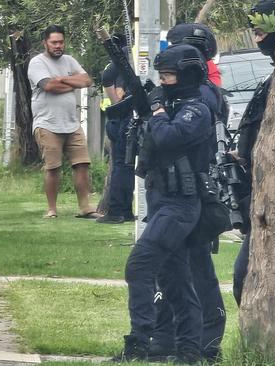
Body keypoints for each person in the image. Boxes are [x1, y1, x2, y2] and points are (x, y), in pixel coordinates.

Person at [116, 43, 212, 364]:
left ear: (187, 74)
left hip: (181, 206)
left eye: (169, 75)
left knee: (139, 266)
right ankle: (189, 351)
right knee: (175, 280)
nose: (164, 81)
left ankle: (139, 344)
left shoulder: (197, 109)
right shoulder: (170, 105)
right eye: (161, 75)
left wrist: (157, 112)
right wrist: (149, 108)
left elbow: (169, 137)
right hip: (163, 204)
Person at [149, 23, 227, 362]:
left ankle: (205, 343)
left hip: (192, 190)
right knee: (168, 269)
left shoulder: (203, 94)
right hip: (170, 188)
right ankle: (164, 340)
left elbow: (177, 134)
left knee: (196, 270)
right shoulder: (184, 91)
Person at [232, 0, 275, 306]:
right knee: (245, 283)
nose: (257, 39)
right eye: (254, 31)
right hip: (260, 198)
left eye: (262, 30)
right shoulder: (273, 77)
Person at [27, 25, 101, 219]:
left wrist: (62, 79)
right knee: (53, 167)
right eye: (54, 42)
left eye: (61, 42)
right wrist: (69, 82)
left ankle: (85, 208)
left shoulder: (69, 60)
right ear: (45, 43)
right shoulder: (37, 63)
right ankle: (52, 209)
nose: (58, 46)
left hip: (72, 123)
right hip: (47, 124)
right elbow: (49, 86)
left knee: (82, 164)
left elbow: (86, 81)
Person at [96, 34, 136, 224]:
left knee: (121, 166)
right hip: (124, 117)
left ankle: (118, 211)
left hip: (120, 118)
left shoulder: (124, 57)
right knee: (126, 166)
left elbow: (110, 84)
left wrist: (116, 104)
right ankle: (124, 210)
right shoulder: (131, 56)